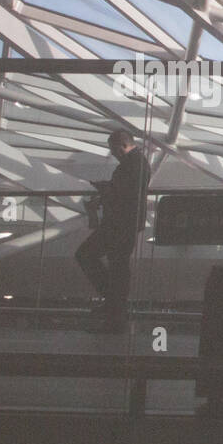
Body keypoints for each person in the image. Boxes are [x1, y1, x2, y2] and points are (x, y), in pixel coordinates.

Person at [76, 129, 151, 333]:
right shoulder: (138, 163)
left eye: (113, 150)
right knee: (118, 266)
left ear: (121, 145)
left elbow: (124, 192)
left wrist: (103, 191)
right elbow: (125, 189)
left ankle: (114, 305)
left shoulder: (133, 164)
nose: (113, 154)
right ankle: (114, 308)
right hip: (125, 223)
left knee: (88, 255)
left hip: (119, 223)